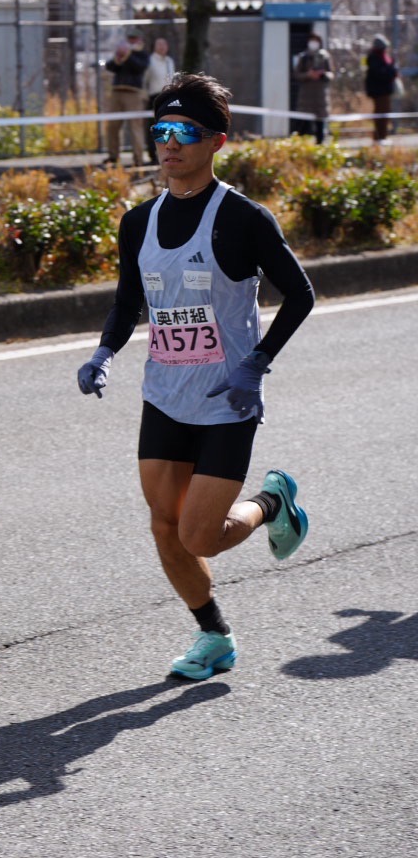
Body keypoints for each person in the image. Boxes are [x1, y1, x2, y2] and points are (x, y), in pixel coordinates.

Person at [75, 72, 314, 683]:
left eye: (186, 132)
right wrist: (104, 353)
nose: (170, 143)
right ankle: (214, 636)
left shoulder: (242, 218)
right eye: (162, 131)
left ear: (217, 142)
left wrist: (255, 365)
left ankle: (271, 501)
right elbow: (129, 301)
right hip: (165, 395)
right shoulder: (139, 221)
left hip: (226, 401)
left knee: (200, 535)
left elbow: (301, 294)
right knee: (165, 525)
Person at [103, 33, 151, 166]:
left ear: (140, 40)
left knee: (135, 126)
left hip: (134, 93)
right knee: (112, 126)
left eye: (134, 39)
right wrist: (118, 56)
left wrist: (128, 54)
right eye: (129, 39)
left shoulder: (142, 55)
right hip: (117, 91)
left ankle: (138, 159)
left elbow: (139, 67)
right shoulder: (121, 52)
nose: (131, 41)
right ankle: (113, 156)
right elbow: (110, 66)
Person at [293, 34, 333, 144]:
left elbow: (331, 74)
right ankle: (301, 147)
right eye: (312, 41)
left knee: (320, 125)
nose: (313, 43)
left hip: (320, 97)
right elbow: (296, 74)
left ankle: (319, 146)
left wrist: (323, 74)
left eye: (316, 41)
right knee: (303, 125)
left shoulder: (324, 56)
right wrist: (308, 75)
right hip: (306, 97)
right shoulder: (303, 57)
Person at [365, 35, 399, 145]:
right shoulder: (374, 58)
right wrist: (391, 71)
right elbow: (381, 74)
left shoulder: (384, 57)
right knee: (381, 114)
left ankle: (382, 136)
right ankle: (379, 137)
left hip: (385, 91)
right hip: (379, 92)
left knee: (384, 114)